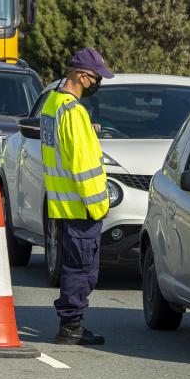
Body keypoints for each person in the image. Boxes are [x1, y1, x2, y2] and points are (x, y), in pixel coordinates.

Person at [42, 48, 113, 346]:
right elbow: (83, 166)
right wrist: (99, 206)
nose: (97, 84)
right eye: (96, 78)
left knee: (74, 266)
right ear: (82, 76)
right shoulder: (74, 113)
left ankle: (71, 324)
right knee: (82, 269)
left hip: (61, 203)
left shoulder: (52, 104)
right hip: (82, 207)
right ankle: (71, 327)